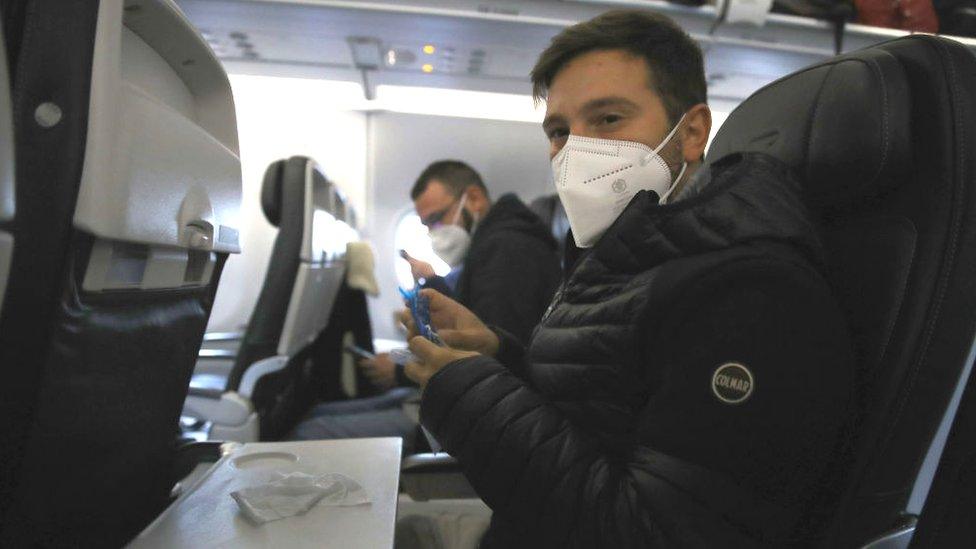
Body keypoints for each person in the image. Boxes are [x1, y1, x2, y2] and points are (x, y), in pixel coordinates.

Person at [400, 9, 855, 547]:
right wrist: (496, 354)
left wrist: (468, 393)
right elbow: (598, 410)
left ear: (691, 133)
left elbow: (658, 531)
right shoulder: (628, 255)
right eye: (559, 131)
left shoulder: (750, 294)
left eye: (609, 119)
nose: (576, 151)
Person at [291, 162, 563, 448]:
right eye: (427, 226)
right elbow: (480, 325)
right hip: (460, 397)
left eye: (437, 219)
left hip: (479, 418)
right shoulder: (491, 244)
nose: (434, 232)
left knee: (308, 432)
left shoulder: (508, 250)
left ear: (473, 198)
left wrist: (399, 371)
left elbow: (489, 357)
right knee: (319, 413)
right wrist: (431, 290)